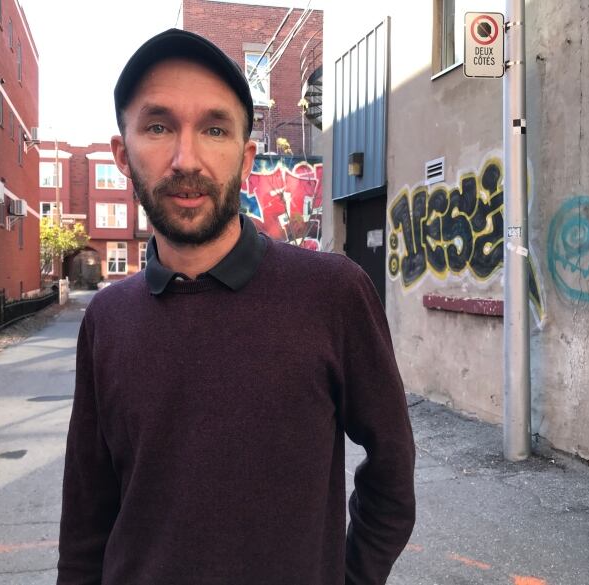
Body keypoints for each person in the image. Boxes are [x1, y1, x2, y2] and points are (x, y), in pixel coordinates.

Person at [57, 28, 415, 585]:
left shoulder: (332, 294)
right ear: (121, 155)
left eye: (215, 129)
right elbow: (85, 517)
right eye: (158, 126)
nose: (186, 158)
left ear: (246, 156)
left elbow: (392, 472)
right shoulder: (107, 318)